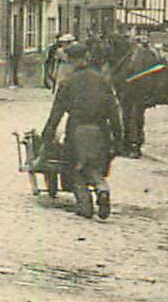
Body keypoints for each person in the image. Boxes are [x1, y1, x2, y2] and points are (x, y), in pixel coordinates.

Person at [40, 43, 124, 220]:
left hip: (77, 130)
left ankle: (85, 205)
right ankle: (102, 189)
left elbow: (56, 113)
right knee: (95, 168)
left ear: (70, 61)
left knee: (75, 169)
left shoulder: (67, 83)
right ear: (86, 58)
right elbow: (114, 111)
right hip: (101, 130)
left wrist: (47, 135)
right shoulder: (102, 81)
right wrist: (118, 137)